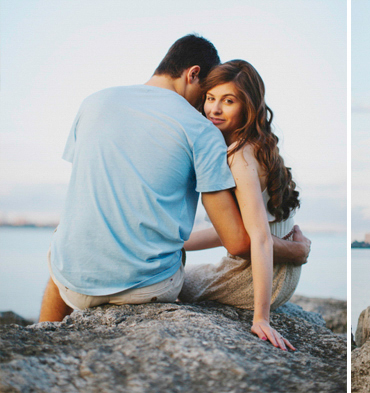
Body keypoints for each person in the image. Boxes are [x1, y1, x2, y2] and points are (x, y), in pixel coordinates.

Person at [39, 35, 309, 351]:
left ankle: (44, 337)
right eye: (207, 95)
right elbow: (237, 240)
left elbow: (87, 188)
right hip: (147, 288)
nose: (206, 107)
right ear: (193, 74)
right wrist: (295, 251)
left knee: (63, 249)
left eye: (225, 99)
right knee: (172, 254)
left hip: (71, 281)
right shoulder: (201, 130)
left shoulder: (93, 102)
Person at [179, 60, 302, 317]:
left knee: (171, 281)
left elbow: (259, 237)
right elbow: (235, 229)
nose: (214, 109)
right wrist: (177, 244)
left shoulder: (239, 155)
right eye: (211, 98)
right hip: (283, 276)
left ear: (248, 106)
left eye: (228, 101)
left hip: (251, 279)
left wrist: (261, 318)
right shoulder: (256, 146)